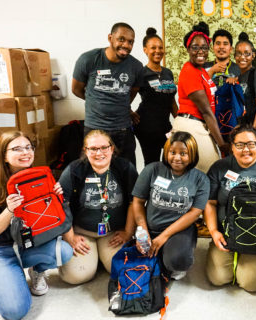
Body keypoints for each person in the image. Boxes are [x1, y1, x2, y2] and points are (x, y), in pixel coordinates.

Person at [0, 131, 73, 320]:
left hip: (29, 244)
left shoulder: (42, 178)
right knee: (15, 311)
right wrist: (9, 210)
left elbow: (52, 219)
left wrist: (57, 197)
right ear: (4, 155)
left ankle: (36, 270)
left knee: (64, 251)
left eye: (28, 147)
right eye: (17, 149)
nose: (25, 152)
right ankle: (11, 275)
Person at [205, 125, 256, 292]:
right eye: (240, 145)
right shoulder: (219, 167)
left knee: (251, 284)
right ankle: (224, 252)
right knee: (218, 279)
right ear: (232, 146)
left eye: (251, 144)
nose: (246, 150)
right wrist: (214, 231)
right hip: (226, 233)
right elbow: (210, 203)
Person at [58, 130, 138, 284]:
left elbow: (134, 202)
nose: (99, 153)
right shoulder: (74, 169)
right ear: (85, 150)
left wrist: (128, 232)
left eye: (104, 147)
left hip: (113, 234)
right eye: (93, 149)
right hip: (82, 233)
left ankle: (101, 256)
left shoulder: (124, 167)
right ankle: (95, 257)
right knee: (76, 276)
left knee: (125, 272)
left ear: (112, 149)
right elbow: (62, 204)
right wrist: (69, 236)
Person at [132, 131, 209, 280]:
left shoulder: (201, 179)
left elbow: (195, 213)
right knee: (138, 259)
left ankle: (171, 255)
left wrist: (164, 237)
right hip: (149, 228)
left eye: (183, 153)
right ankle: (160, 254)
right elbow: (138, 202)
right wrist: (142, 231)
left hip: (178, 231)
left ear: (192, 154)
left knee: (178, 262)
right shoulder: (152, 170)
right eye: (172, 152)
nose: (177, 158)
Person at [72, 22, 145, 165]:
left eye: (130, 42)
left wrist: (123, 107)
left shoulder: (136, 67)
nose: (126, 45)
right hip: (95, 129)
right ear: (110, 38)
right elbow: (76, 89)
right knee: (93, 173)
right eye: (121, 39)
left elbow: (130, 94)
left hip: (123, 130)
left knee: (127, 174)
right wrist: (96, 101)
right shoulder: (89, 59)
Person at [173, 21, 228, 173]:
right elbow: (205, 111)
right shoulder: (189, 70)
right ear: (188, 49)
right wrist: (222, 144)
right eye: (195, 47)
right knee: (213, 170)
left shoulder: (201, 71)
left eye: (204, 47)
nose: (200, 51)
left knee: (207, 173)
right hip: (191, 125)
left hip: (201, 125)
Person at [133, 27, 178, 165]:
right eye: (153, 48)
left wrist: (181, 120)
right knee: (152, 163)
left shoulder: (168, 73)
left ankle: (166, 186)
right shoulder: (141, 73)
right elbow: (126, 98)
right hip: (147, 127)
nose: (157, 51)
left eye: (160, 47)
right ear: (145, 50)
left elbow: (171, 101)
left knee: (170, 160)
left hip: (165, 126)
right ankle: (151, 186)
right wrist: (129, 112)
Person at [233, 32, 256, 132]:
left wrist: (253, 132)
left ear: (253, 56)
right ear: (235, 56)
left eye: (247, 54)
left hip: (254, 131)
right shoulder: (238, 77)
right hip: (243, 129)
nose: (242, 57)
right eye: (239, 53)